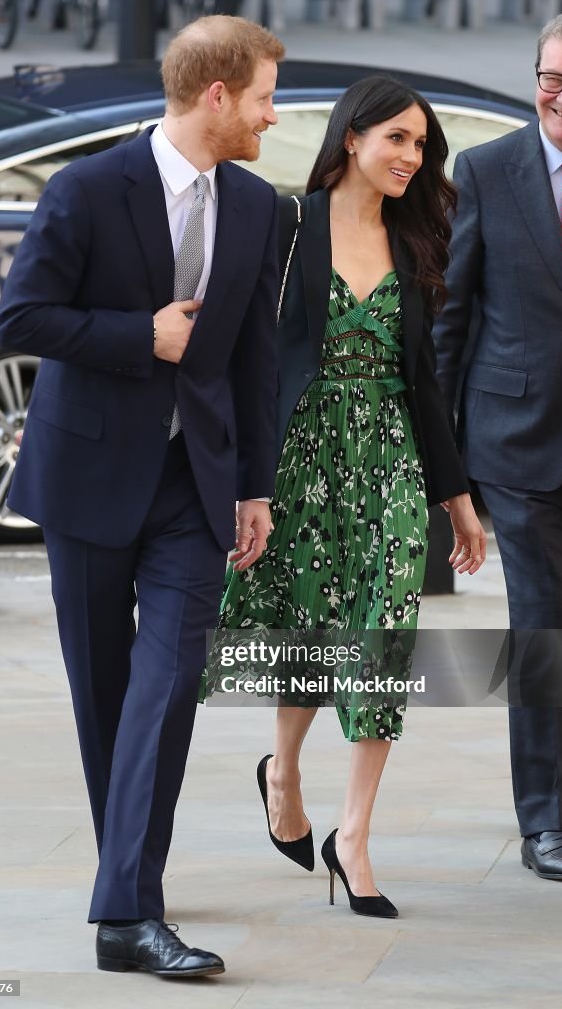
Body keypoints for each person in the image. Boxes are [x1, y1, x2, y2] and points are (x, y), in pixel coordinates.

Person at [0, 15, 285, 978]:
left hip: (193, 487)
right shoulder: (87, 188)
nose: (269, 117)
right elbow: (20, 317)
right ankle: (133, 875)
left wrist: (254, 485)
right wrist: (139, 336)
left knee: (165, 691)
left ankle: (127, 912)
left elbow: (252, 355)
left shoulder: (256, 207)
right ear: (215, 96)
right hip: (86, 480)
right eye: (261, 98)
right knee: (107, 702)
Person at [208, 75, 486, 918]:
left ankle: (354, 837)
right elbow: (245, 353)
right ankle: (283, 770)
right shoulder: (286, 225)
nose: (411, 157)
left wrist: (456, 498)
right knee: (309, 621)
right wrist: (237, 477)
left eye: (420, 145)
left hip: (390, 459)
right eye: (397, 138)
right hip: (298, 455)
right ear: (352, 136)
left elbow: (424, 381)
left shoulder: (414, 241)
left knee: (381, 635)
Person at [433, 9, 562, 883]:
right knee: (546, 618)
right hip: (516, 442)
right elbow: (451, 317)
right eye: (553, 77)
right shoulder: (485, 172)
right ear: (533, 77)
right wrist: (442, 458)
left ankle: (554, 790)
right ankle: (547, 821)